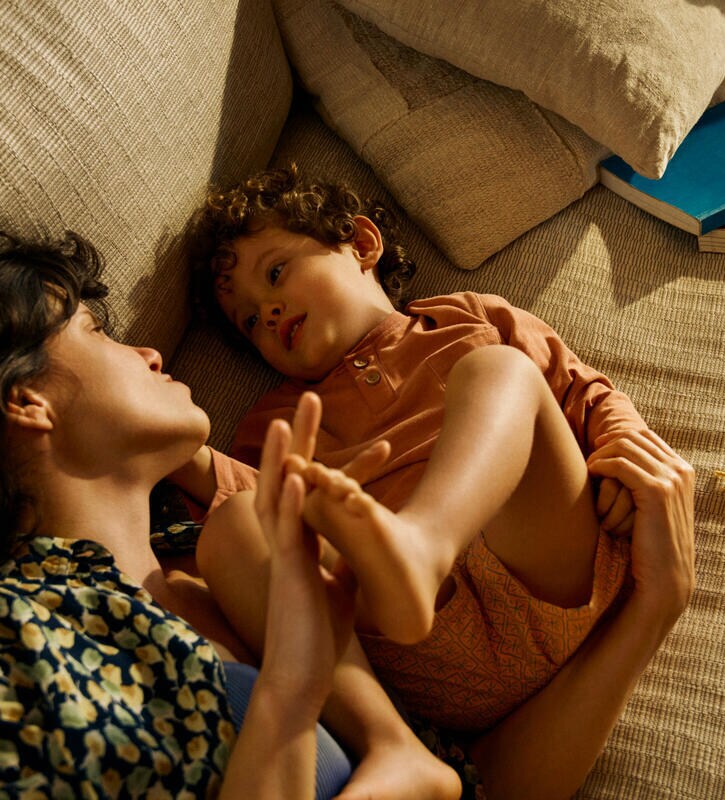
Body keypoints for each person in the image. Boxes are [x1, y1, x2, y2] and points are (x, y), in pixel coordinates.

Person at [0, 230, 458, 799]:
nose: (150, 352)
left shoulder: (234, 572)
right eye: (96, 332)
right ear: (24, 399)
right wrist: (290, 689)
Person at [187, 165, 698, 798]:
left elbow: (582, 388)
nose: (268, 312)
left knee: (501, 373)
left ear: (363, 243)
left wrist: (621, 441)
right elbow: (263, 509)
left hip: (547, 563)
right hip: (423, 648)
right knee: (241, 521)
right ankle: (388, 728)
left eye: (274, 274)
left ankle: (422, 540)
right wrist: (192, 460)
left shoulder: (467, 317)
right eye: (250, 323)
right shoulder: (275, 420)